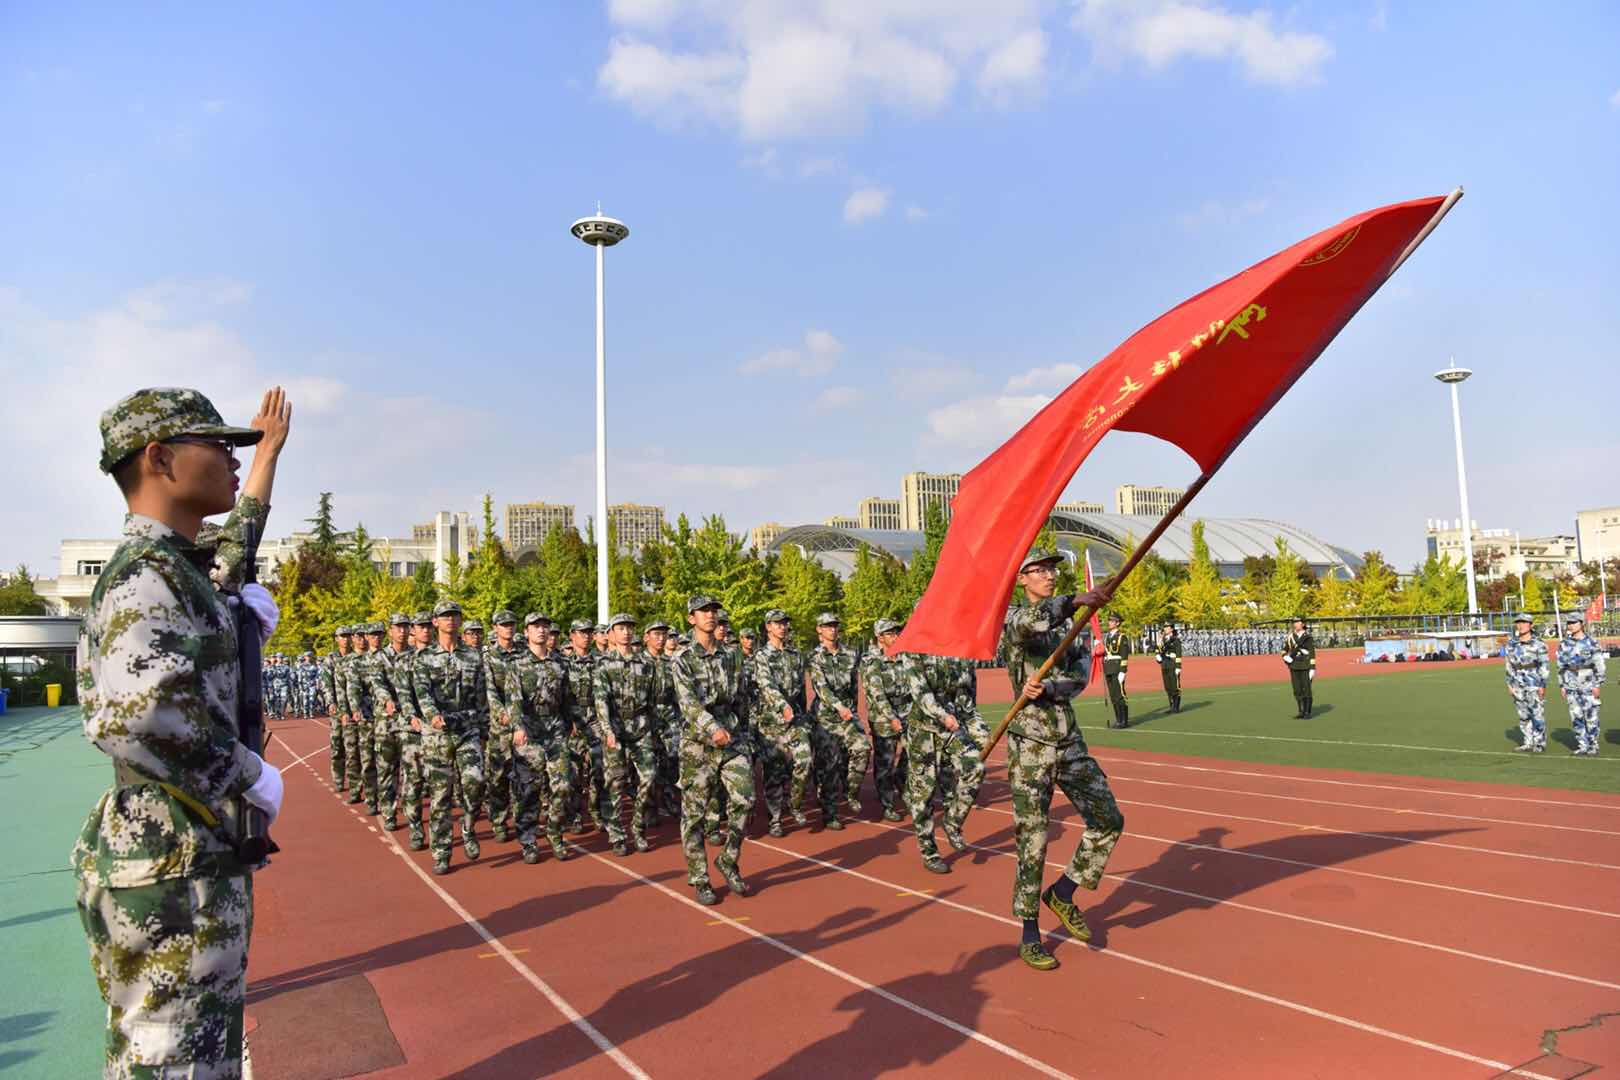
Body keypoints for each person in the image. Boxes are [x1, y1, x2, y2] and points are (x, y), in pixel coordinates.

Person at [75, 385, 291, 1077]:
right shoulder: (147, 575)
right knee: (172, 1061)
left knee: (197, 1051)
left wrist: (269, 458)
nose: (233, 458)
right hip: (169, 860)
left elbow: (236, 548)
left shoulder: (178, 567)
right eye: (217, 445)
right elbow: (142, 715)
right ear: (161, 458)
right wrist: (248, 776)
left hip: (187, 849)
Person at [1003, 548, 1124, 972]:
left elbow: (1079, 675)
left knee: (1108, 819)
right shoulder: (1016, 619)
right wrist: (1076, 600)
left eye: (1052, 571)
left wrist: (1051, 688)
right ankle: (1030, 933)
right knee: (1033, 840)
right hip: (1029, 746)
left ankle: (1064, 892)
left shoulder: (1071, 628)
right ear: (1022, 579)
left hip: (1067, 740)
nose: (1048, 576)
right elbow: (1034, 622)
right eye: (1039, 571)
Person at [670, 595, 755, 905]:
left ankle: (728, 859)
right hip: (698, 744)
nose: (710, 615)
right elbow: (688, 703)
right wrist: (711, 728)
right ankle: (700, 878)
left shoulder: (731, 655)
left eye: (714, 610)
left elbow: (741, 697)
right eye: (703, 611)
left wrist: (745, 734)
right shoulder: (681, 659)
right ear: (691, 618)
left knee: (745, 799)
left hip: (731, 739)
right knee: (694, 815)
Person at [411, 601, 489, 875]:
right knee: (441, 795)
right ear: (435, 622)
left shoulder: (474, 656)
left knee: (476, 782)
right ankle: (442, 851)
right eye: (445, 616)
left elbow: (482, 697)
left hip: (467, 729)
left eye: (455, 616)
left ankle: (468, 827)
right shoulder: (424, 658)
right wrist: (432, 714)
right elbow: (422, 693)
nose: (450, 620)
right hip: (437, 734)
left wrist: (485, 730)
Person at [899, 649, 985, 872]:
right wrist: (943, 715)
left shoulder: (962, 653)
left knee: (976, 767)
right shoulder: (914, 652)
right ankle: (929, 852)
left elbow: (968, 702)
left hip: (952, 730)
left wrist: (982, 733)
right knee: (923, 795)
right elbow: (921, 694)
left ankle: (953, 821)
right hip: (923, 732)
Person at [507, 613, 575, 863]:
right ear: (526, 632)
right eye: (536, 627)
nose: (542, 630)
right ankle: (528, 840)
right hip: (529, 731)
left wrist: (572, 724)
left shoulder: (560, 663)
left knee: (563, 786)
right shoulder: (517, 663)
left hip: (555, 730)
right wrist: (517, 726)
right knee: (530, 789)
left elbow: (567, 698)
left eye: (545, 626)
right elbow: (513, 701)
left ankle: (555, 833)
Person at [593, 613, 660, 853]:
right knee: (616, 782)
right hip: (615, 728)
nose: (626, 632)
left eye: (630, 628)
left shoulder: (646, 664)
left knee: (649, 778)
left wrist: (654, 729)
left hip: (641, 728)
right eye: (620, 628)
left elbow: (652, 701)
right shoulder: (603, 664)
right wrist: (607, 730)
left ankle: (638, 826)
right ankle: (617, 834)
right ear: (611, 633)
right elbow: (600, 700)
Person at [753, 609, 814, 836]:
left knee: (805, 760)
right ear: (768, 627)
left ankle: (794, 804)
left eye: (785, 623)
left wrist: (802, 715)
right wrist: (782, 705)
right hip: (771, 722)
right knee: (774, 772)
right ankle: (775, 819)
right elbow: (766, 685)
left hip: (795, 719)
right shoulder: (762, 656)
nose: (782, 627)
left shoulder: (796, 655)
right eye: (777, 623)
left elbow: (801, 690)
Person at [807, 613, 870, 827]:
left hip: (847, 714)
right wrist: (839, 707)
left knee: (863, 749)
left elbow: (854, 685)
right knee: (829, 764)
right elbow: (821, 688)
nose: (832, 629)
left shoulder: (851, 653)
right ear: (819, 629)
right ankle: (830, 813)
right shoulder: (815, 656)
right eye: (827, 626)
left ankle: (851, 791)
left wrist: (852, 711)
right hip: (826, 717)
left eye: (834, 625)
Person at [861, 619, 911, 822]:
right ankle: (887, 803)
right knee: (885, 762)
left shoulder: (904, 657)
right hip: (883, 718)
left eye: (897, 632)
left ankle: (901, 779)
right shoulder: (871, 661)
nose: (895, 636)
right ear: (879, 637)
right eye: (890, 634)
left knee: (913, 753)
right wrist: (891, 717)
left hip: (906, 713)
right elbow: (877, 694)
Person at [481, 610, 525, 842]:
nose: (508, 628)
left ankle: (522, 819)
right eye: (504, 624)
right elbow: (489, 690)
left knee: (524, 774)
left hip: (523, 725)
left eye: (511, 624)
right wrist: (502, 713)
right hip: (500, 726)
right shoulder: (488, 656)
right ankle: (499, 820)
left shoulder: (524, 653)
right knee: (498, 777)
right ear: (495, 628)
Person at [1556, 611, 1606, 756]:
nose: (1570, 625)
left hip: (1588, 684)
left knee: (1591, 717)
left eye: (1574, 622)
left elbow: (1599, 665)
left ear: (1581, 624)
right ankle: (1583, 745)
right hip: (1571, 685)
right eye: (1569, 623)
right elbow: (1561, 667)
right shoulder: (1564, 644)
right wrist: (1562, 685)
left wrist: (1597, 684)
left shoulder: (1591, 642)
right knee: (1576, 716)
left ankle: (1593, 745)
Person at [1504, 613, 1548, 753]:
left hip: (1534, 683)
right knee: (1523, 715)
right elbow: (1509, 665)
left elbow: (1544, 665)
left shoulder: (1539, 644)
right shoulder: (1512, 644)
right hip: (1517, 683)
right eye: (1518, 622)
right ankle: (1528, 742)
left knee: (1537, 714)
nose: (1521, 625)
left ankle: (1539, 743)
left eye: (1524, 622)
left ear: (1530, 625)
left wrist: (1542, 684)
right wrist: (1509, 683)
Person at [320, 627, 350, 786]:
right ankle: (338, 777)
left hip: (354, 709)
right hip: (338, 708)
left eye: (348, 636)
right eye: (342, 636)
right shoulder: (331, 658)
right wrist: (330, 701)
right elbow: (326, 682)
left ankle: (356, 780)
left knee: (355, 747)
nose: (346, 639)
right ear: (337, 638)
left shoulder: (355, 656)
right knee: (337, 744)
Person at [1101, 611, 1131, 729]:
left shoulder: (1121, 637)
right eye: (1109, 620)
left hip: (1117, 668)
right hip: (1108, 668)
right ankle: (1118, 720)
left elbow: (1124, 655)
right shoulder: (1107, 637)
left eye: (1112, 621)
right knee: (1113, 696)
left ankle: (1124, 721)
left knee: (1120, 695)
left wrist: (1123, 671)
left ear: (1117, 623)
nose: (1109, 622)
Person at [1282, 617, 1317, 718]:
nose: (1295, 624)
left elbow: (1312, 653)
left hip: (1305, 666)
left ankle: (1307, 712)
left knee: (1306, 689)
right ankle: (1301, 711)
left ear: (1302, 624)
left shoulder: (1308, 637)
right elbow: (1284, 649)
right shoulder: (1290, 637)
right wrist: (1284, 656)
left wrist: (1312, 667)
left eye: (1298, 622)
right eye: (1294, 623)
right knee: (1297, 689)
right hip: (1294, 665)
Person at [1155, 622, 1183, 713]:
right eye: (1165, 627)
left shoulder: (1175, 640)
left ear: (1171, 629)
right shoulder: (1162, 640)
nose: (1165, 629)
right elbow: (1159, 650)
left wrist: (1178, 667)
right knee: (1167, 687)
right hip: (1164, 664)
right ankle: (1171, 706)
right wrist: (1157, 656)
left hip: (1172, 664)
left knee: (1175, 686)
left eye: (1167, 627)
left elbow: (1178, 653)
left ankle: (1176, 707)